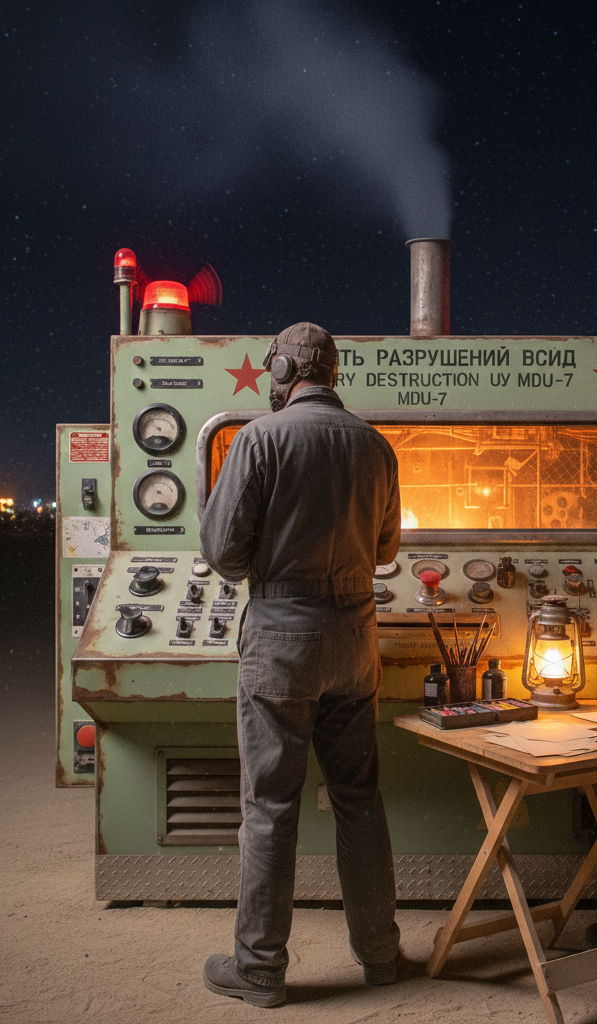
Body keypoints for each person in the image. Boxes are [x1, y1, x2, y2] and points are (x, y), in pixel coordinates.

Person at [199, 322, 402, 1008]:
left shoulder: (259, 438)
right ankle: (379, 956)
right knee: (359, 801)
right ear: (335, 372)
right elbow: (382, 553)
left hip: (282, 639)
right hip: (354, 637)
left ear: (285, 367)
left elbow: (224, 554)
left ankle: (259, 969)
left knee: (270, 807)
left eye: (271, 367)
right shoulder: (376, 447)